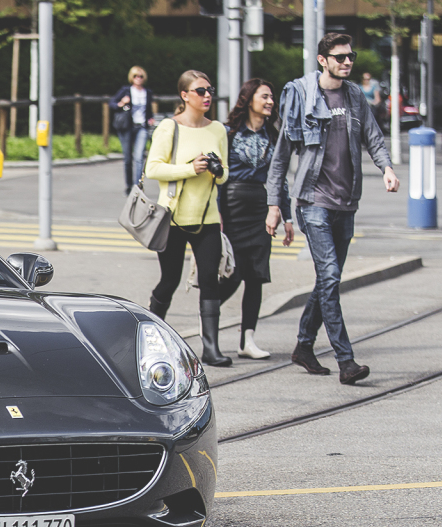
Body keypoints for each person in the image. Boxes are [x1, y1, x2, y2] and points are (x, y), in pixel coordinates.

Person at [266, 33, 398, 385]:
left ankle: (303, 346)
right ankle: (346, 360)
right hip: (313, 201)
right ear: (323, 60)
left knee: (328, 280)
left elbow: (372, 136)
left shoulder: (354, 95)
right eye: (340, 57)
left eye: (350, 56)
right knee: (330, 278)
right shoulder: (302, 96)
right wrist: (274, 205)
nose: (347, 62)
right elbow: (281, 156)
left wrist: (386, 167)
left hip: (347, 202)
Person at [144, 69, 231, 367]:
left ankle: (211, 348)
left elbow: (225, 177)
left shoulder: (218, 129)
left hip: (206, 218)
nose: (207, 96)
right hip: (172, 217)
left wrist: (217, 172)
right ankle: (150, 342)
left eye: (210, 90)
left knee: (210, 280)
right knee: (169, 280)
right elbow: (153, 169)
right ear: (184, 95)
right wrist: (189, 168)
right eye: (200, 91)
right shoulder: (170, 127)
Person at [217, 79, 292, 360]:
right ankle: (208, 316)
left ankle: (247, 339)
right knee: (232, 273)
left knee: (256, 276)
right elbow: (219, 178)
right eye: (265, 96)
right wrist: (218, 212)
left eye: (272, 97)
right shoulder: (229, 133)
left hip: (263, 209)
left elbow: (280, 179)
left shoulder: (275, 136)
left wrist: (287, 217)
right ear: (249, 100)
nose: (270, 101)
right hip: (234, 206)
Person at [110, 66, 156, 194]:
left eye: (141, 76)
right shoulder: (126, 90)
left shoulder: (147, 92)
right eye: (136, 76)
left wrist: (150, 119)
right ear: (132, 77)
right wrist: (121, 103)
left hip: (141, 126)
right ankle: (129, 185)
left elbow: (149, 110)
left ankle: (138, 186)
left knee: (139, 156)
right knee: (128, 158)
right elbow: (112, 103)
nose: (138, 79)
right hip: (127, 127)